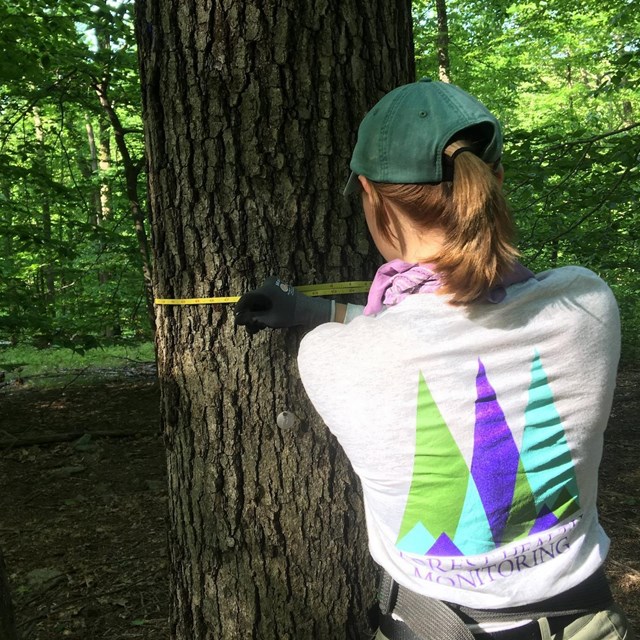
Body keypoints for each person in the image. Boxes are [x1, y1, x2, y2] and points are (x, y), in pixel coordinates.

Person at [234, 78, 636, 640]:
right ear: (494, 181)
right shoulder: (586, 302)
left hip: (432, 627)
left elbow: (404, 342)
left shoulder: (328, 358)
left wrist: (312, 314)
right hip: (584, 623)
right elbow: (441, 332)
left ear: (371, 196)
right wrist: (318, 308)